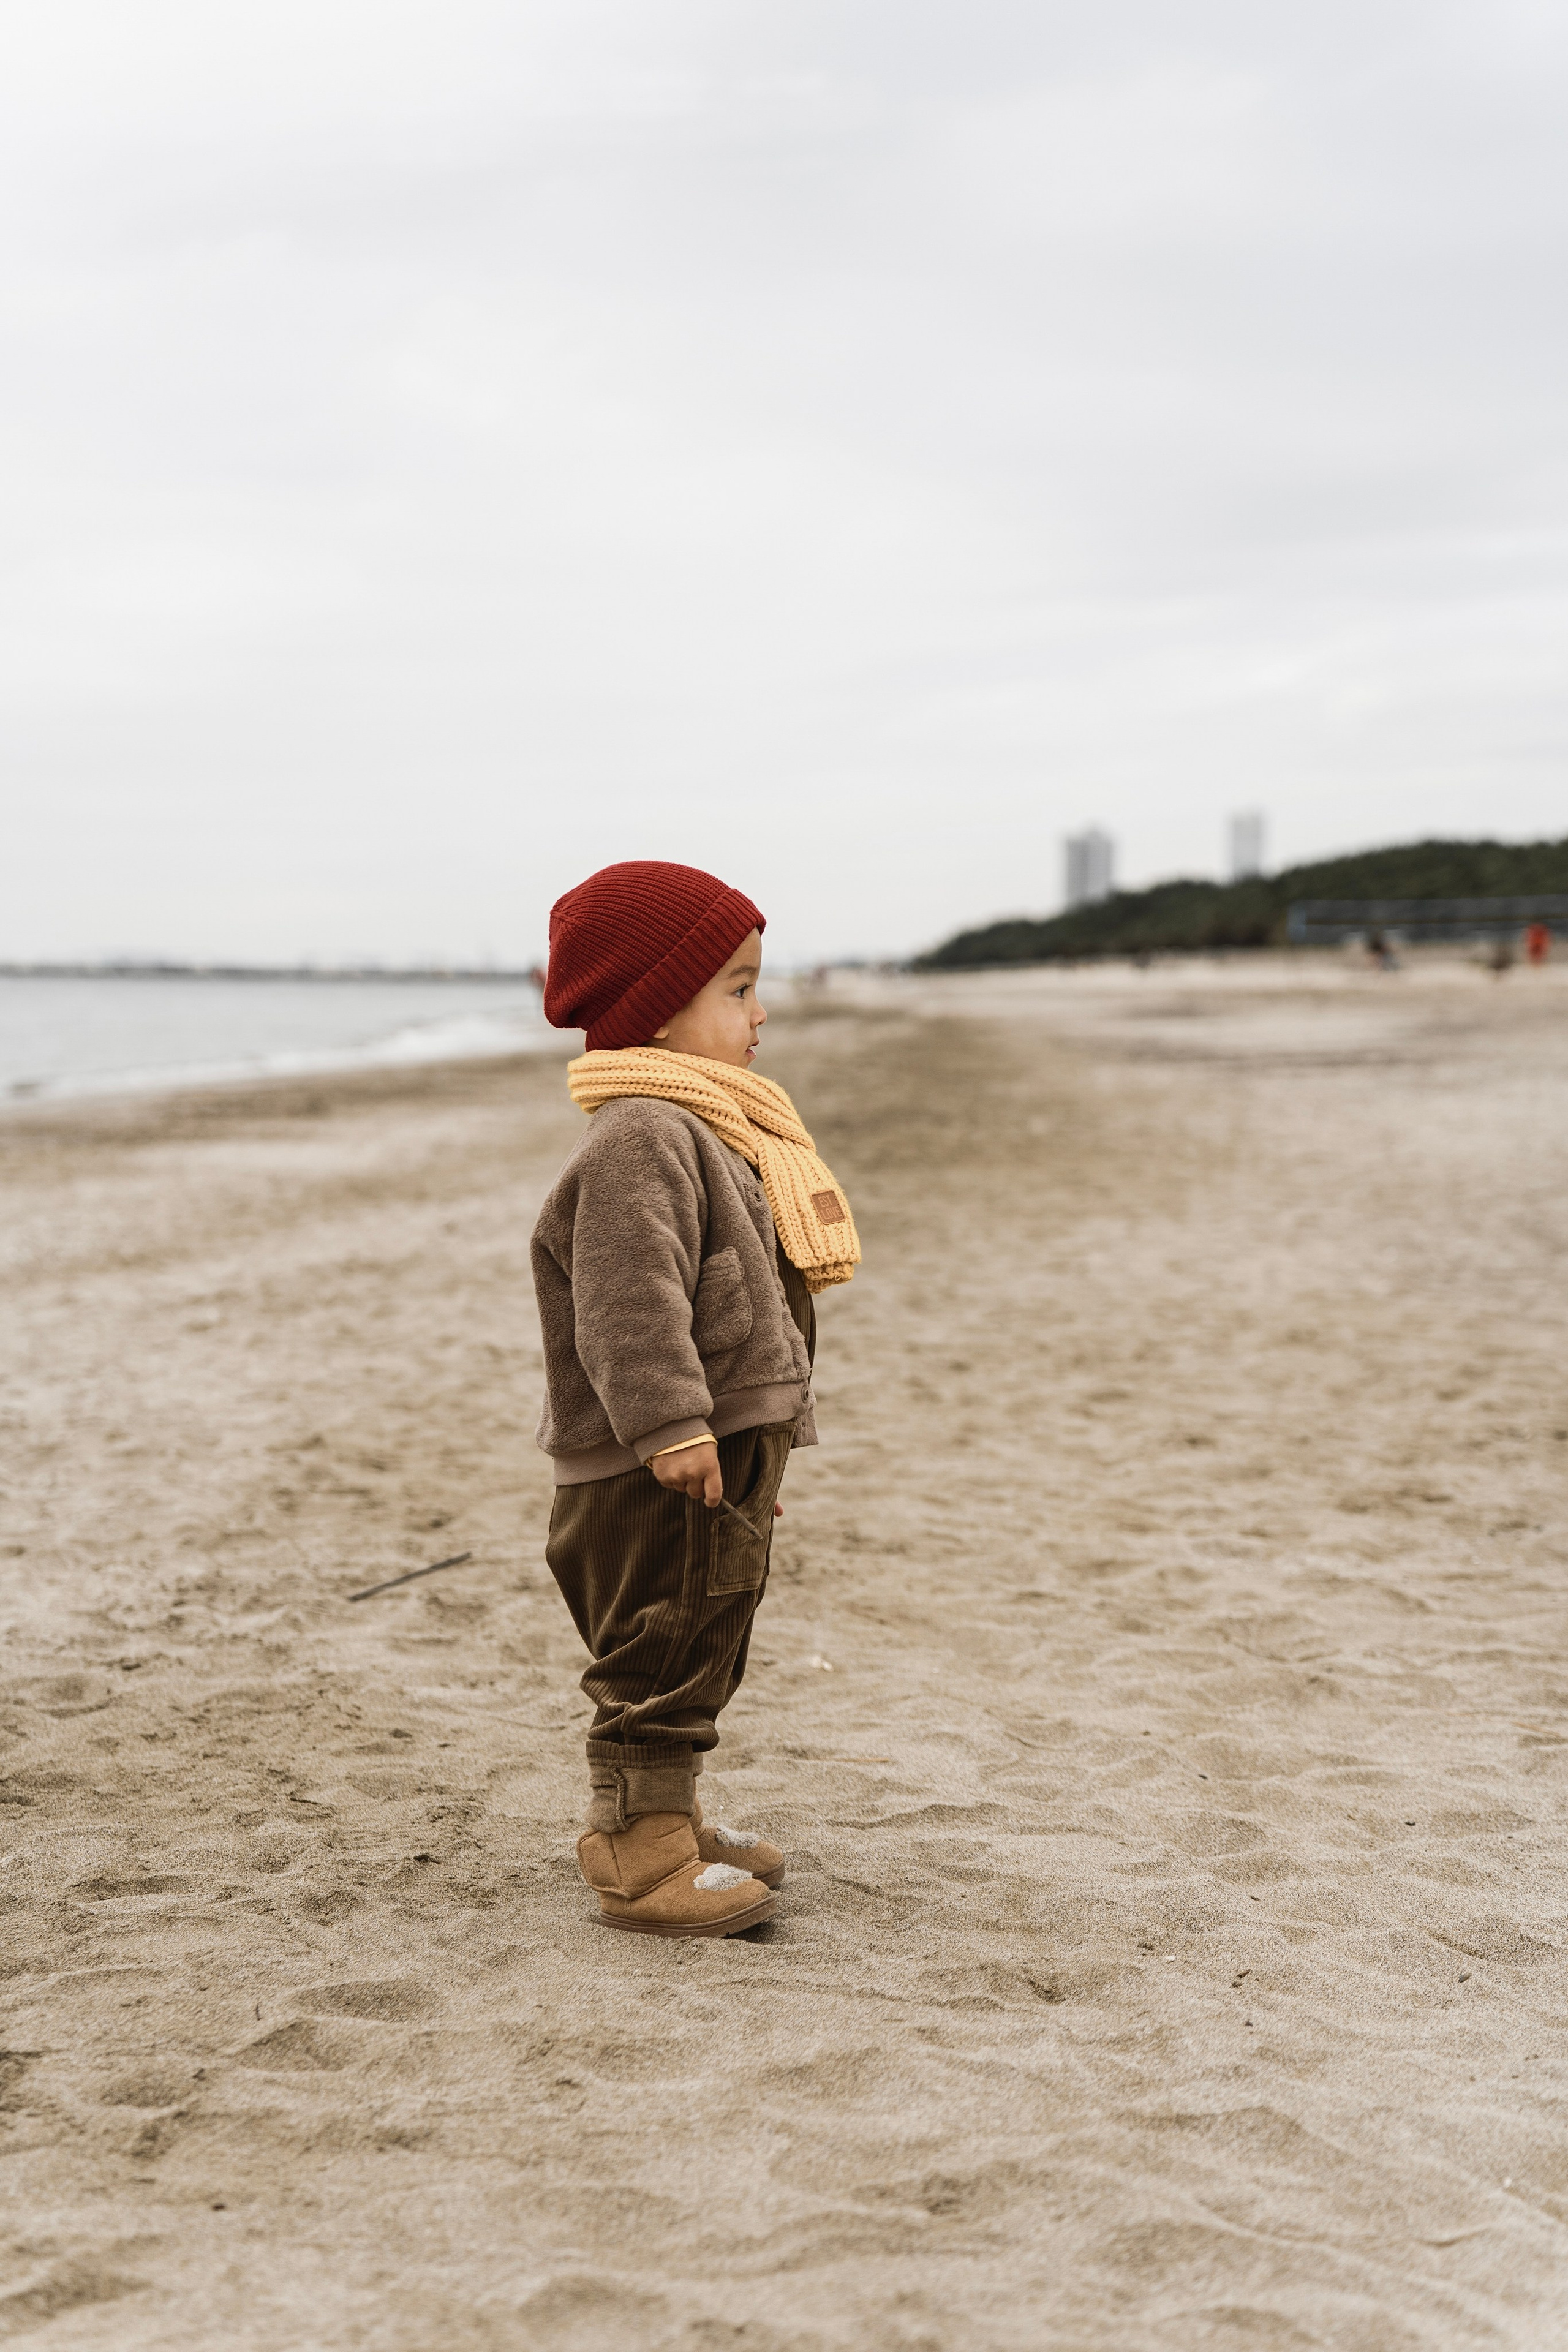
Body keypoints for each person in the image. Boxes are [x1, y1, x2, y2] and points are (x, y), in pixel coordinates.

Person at [531, 861, 860, 1937]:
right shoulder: (642, 1136)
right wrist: (673, 1423)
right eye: (737, 989)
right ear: (655, 1011)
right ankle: (636, 1850)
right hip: (657, 1454)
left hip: (719, 1446)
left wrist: (757, 1447)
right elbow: (629, 1298)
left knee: (707, 1631)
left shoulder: (705, 1125)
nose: (761, 1015)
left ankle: (668, 1814)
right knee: (660, 1641)